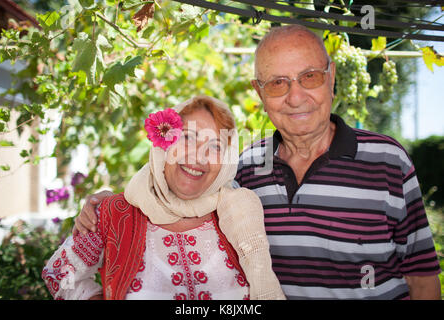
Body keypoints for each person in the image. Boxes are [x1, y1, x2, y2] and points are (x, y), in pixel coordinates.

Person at [74, 25, 441, 300]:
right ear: (259, 92)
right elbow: (178, 199)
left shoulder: (388, 161)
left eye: (309, 77)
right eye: (278, 83)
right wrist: (107, 203)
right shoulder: (242, 171)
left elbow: (422, 278)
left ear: (331, 79)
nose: (296, 97)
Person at [42, 95, 285, 300]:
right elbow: (60, 273)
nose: (199, 156)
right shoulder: (113, 213)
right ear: (164, 143)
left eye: (216, 146)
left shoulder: (238, 215)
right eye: (188, 137)